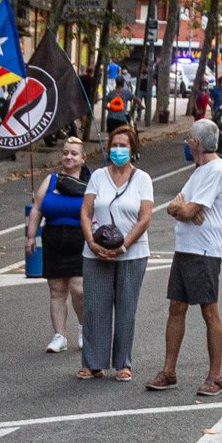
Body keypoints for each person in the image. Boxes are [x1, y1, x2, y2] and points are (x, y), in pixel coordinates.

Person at [148, 118, 222, 395]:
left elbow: (185, 210)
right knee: (176, 307)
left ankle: (216, 376)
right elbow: (176, 205)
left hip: (204, 251)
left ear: (195, 143)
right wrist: (182, 208)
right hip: (185, 249)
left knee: (209, 310)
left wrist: (185, 209)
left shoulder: (215, 171)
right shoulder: (198, 170)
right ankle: (169, 371)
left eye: (188, 139)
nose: (186, 143)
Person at [79, 124, 155, 382]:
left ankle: (123, 363)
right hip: (95, 252)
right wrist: (91, 242)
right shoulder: (98, 176)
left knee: (126, 308)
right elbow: (86, 211)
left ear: (132, 150)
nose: (118, 150)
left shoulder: (143, 179)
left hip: (132, 254)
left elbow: (144, 219)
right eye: (115, 145)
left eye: (124, 146)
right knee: (95, 307)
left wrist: (123, 247)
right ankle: (93, 363)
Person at [26, 135, 91, 353]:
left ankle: (84, 330)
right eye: (65, 153)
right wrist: (31, 237)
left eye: (73, 153)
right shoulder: (51, 179)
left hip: (80, 239)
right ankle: (59, 336)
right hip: (53, 238)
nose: (68, 157)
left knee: (79, 289)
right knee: (56, 290)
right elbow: (37, 208)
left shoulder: (90, 182)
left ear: (83, 158)